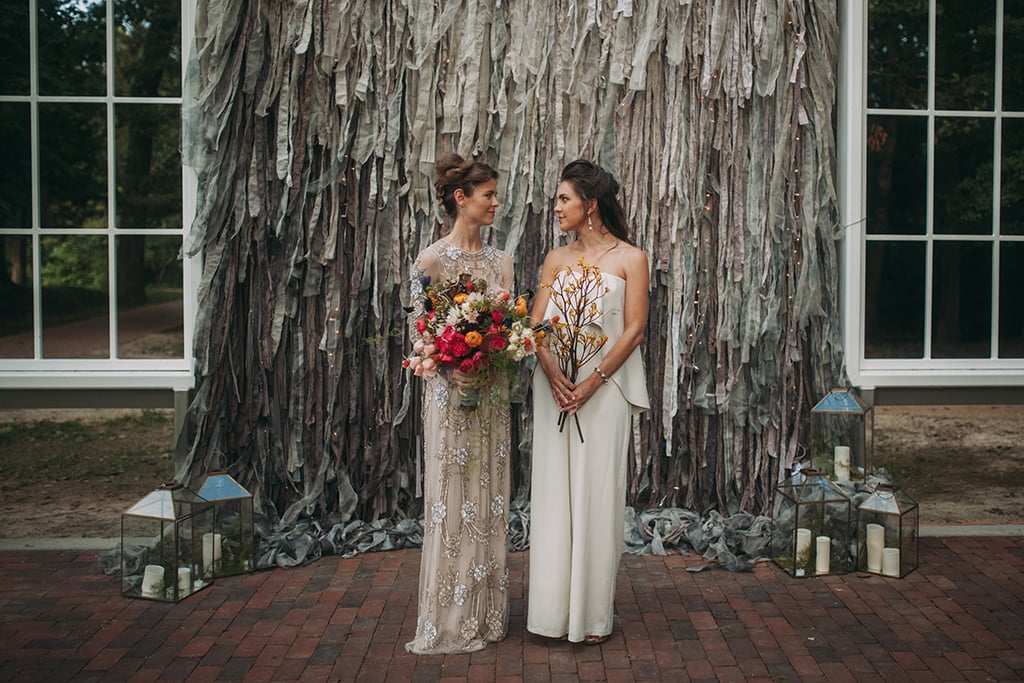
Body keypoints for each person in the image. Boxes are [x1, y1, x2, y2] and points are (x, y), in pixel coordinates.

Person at [527, 159, 651, 645]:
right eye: (557, 199)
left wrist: (593, 381)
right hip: (555, 391)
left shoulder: (630, 259)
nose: (555, 207)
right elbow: (536, 324)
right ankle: (551, 613)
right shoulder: (555, 260)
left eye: (564, 199)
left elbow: (635, 329)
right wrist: (554, 372)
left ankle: (591, 616)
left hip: (603, 394)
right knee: (556, 496)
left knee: (597, 497)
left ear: (590, 205)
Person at [405, 152, 515, 654]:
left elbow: (509, 330)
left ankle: (484, 615)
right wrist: (450, 360)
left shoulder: (501, 262)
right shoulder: (431, 260)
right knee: (452, 499)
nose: (496, 202)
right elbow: (418, 334)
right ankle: (446, 618)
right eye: (488, 194)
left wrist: (499, 345)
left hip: (492, 396)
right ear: (460, 199)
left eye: (495, 194)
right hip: (450, 398)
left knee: (489, 497)